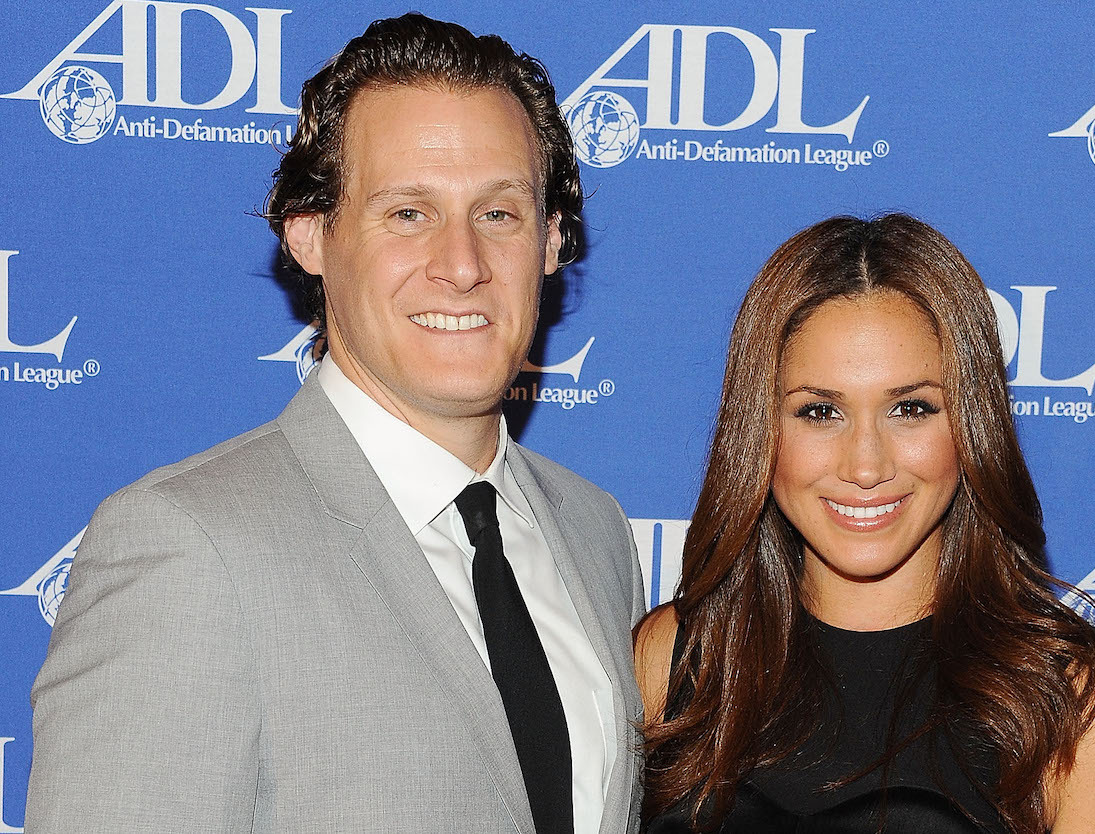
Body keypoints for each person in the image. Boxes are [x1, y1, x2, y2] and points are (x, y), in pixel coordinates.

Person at [25, 14, 644, 834]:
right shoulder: (190, 546)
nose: (462, 265)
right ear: (311, 236)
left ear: (553, 241)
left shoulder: (595, 533)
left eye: (499, 214)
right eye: (408, 214)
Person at [634, 214, 1095, 833]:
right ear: (759, 429)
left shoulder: (1087, 709)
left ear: (972, 423)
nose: (866, 466)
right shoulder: (675, 659)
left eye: (911, 409)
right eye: (820, 412)